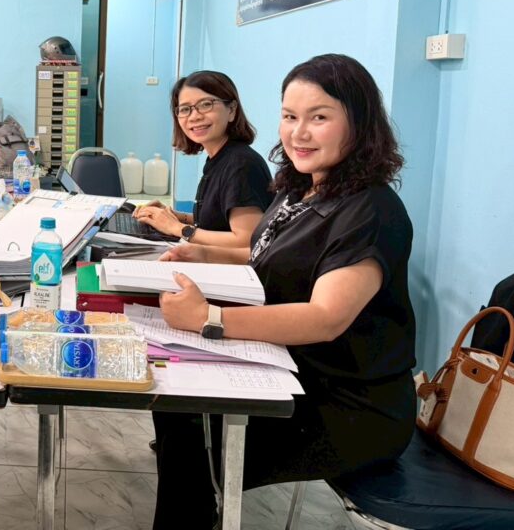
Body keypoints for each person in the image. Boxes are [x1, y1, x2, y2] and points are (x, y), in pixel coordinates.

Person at [151, 54, 417, 529]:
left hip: (347, 405)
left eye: (319, 117)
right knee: (176, 405)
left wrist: (209, 318)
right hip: (289, 366)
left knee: (190, 425)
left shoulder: (371, 210)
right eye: (290, 117)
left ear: (359, 123)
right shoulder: (302, 189)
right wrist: (202, 253)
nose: (299, 133)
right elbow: (265, 255)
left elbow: (325, 317)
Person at [133, 71, 273, 248]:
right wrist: (175, 217)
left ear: (231, 110)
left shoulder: (241, 164)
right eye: (185, 109)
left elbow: (247, 241)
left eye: (206, 104)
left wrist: (177, 228)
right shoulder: (220, 157)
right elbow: (218, 222)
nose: (195, 116)